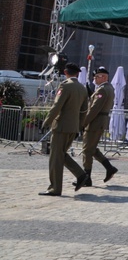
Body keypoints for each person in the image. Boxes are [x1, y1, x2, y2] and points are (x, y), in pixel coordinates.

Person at [39, 63, 89, 196]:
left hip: (61, 126)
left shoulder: (65, 85)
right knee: (61, 154)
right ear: (77, 73)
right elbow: (84, 110)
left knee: (55, 157)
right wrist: (79, 125)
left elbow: (57, 106)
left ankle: (55, 188)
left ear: (66, 72)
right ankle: (81, 175)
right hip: (73, 127)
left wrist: (46, 122)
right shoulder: (82, 88)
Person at [76, 66, 118, 187]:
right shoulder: (108, 88)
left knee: (87, 150)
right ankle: (109, 168)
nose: (95, 79)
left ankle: (87, 178)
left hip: (96, 121)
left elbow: (94, 109)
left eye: (97, 77)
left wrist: (83, 123)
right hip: (99, 120)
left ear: (104, 77)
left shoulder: (102, 90)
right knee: (92, 148)